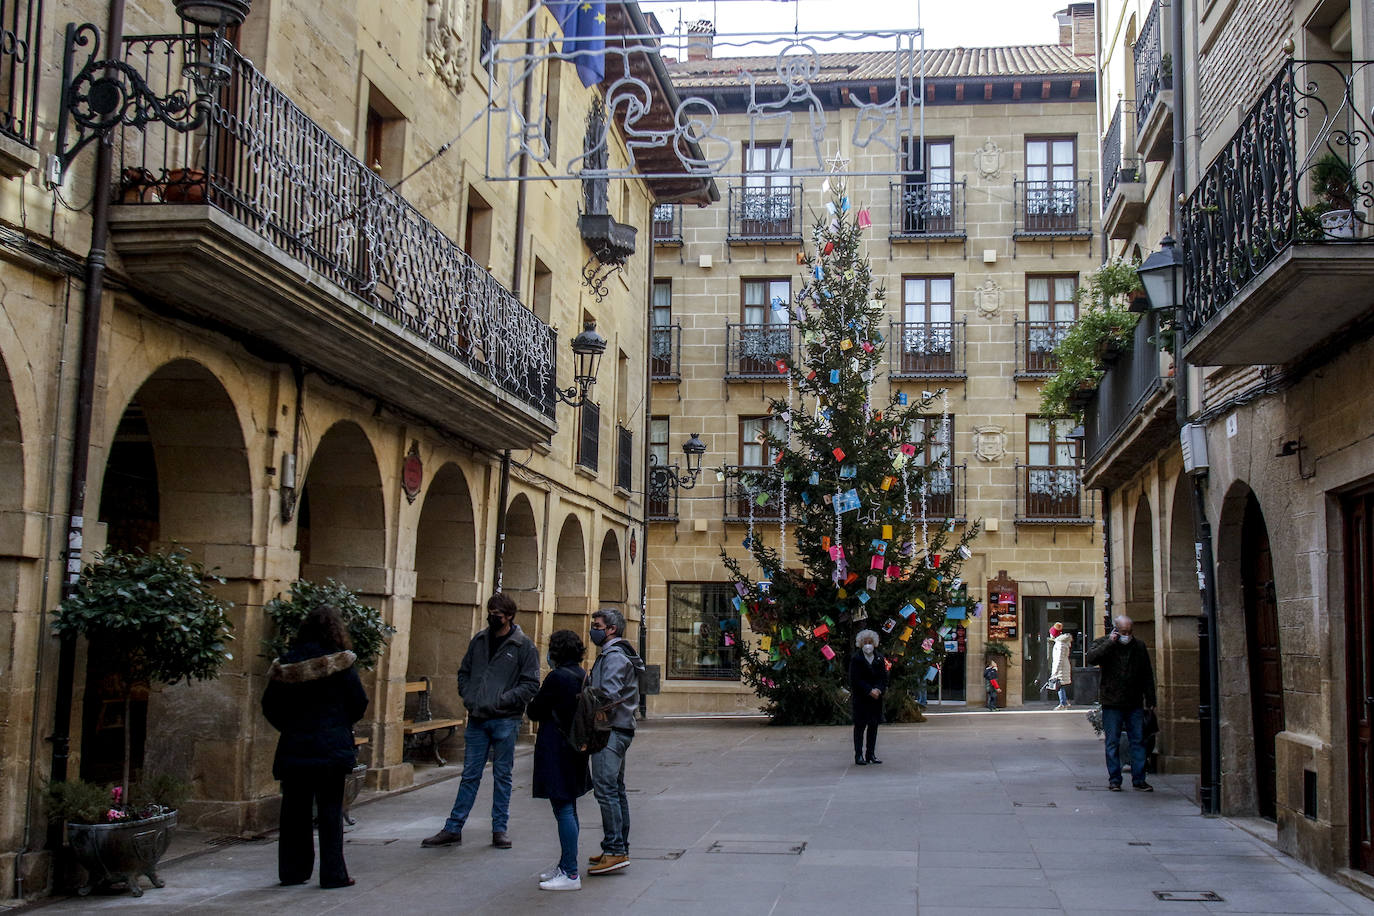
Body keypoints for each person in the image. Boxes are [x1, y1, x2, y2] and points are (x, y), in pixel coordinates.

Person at [261, 604, 369, 889]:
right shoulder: (341, 662)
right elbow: (359, 702)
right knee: (331, 811)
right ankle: (334, 874)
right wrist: (339, 724)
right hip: (331, 748)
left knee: (294, 810)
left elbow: (269, 706)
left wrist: (291, 727)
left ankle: (293, 871)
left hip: (295, 746)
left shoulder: (287, 664)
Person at [423, 593, 540, 849]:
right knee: (469, 775)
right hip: (477, 719)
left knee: (502, 776)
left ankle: (499, 829)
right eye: (490, 612)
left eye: (497, 614)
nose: (492, 617)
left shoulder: (524, 646)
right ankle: (453, 827)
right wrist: (469, 696)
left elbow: (531, 683)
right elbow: (464, 672)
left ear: (509, 616)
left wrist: (503, 700)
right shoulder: (479, 640)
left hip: (505, 720)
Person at [528, 630, 592, 892]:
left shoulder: (557, 677)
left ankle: (570, 872)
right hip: (576, 747)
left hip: (557, 747)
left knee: (563, 808)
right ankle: (566, 864)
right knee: (569, 806)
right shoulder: (582, 675)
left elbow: (535, 710)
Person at [586, 608, 644, 876]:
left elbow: (607, 696)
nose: (593, 629)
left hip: (609, 730)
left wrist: (586, 701)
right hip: (619, 728)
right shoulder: (619, 654)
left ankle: (615, 850)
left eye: (597, 625)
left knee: (606, 790)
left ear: (611, 629)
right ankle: (617, 846)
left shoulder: (614, 657)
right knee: (615, 789)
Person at [1086, 615, 1158, 792]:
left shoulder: (1139, 646)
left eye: (1129, 632)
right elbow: (1092, 658)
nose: (1127, 635)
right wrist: (1110, 643)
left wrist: (1150, 699)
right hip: (1112, 702)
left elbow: (1147, 673)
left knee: (1138, 741)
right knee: (1112, 742)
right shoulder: (1104, 643)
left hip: (1134, 701)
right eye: (1123, 632)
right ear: (1115, 630)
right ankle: (1115, 779)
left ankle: (1139, 779)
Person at [850, 629, 887, 766]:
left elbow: (883, 677)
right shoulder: (856, 659)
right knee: (860, 727)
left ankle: (870, 754)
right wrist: (869, 690)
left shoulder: (879, 658)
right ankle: (858, 755)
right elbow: (855, 679)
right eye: (865, 642)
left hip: (875, 699)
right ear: (860, 643)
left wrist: (878, 689)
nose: (868, 645)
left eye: (870, 642)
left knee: (873, 726)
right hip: (861, 698)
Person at [1047, 623, 1074, 709]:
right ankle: (1065, 701)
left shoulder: (1060, 644)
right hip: (1063, 667)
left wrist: (1055, 672)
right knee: (1060, 685)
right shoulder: (1061, 643)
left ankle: (1063, 703)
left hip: (1061, 668)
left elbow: (1059, 659)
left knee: (1059, 685)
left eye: (1051, 633)